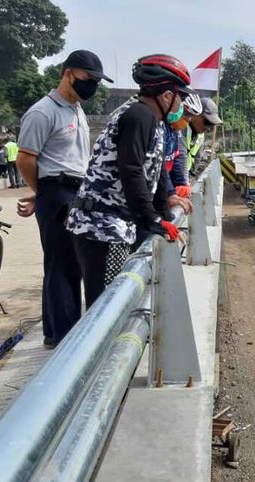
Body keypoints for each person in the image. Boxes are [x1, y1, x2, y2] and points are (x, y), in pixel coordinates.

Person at [66, 54, 193, 306]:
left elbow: (156, 169)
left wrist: (165, 208)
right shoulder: (138, 116)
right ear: (166, 96)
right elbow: (131, 169)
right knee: (106, 305)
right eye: (180, 97)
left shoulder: (151, 120)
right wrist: (153, 219)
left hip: (114, 225)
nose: (181, 105)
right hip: (101, 228)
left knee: (116, 298)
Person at [16, 49, 112, 349]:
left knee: (65, 263)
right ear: (68, 73)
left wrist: (39, 192)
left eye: (97, 81)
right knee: (64, 265)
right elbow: (25, 159)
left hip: (73, 191)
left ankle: (52, 332)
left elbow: (65, 159)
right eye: (88, 78)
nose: (92, 85)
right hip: (59, 193)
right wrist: (44, 191)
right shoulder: (43, 112)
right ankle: (65, 340)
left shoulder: (76, 110)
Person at [186, 96, 221, 174]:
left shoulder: (200, 136)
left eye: (211, 125)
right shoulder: (181, 129)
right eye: (207, 123)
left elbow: (197, 158)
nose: (208, 128)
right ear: (196, 114)